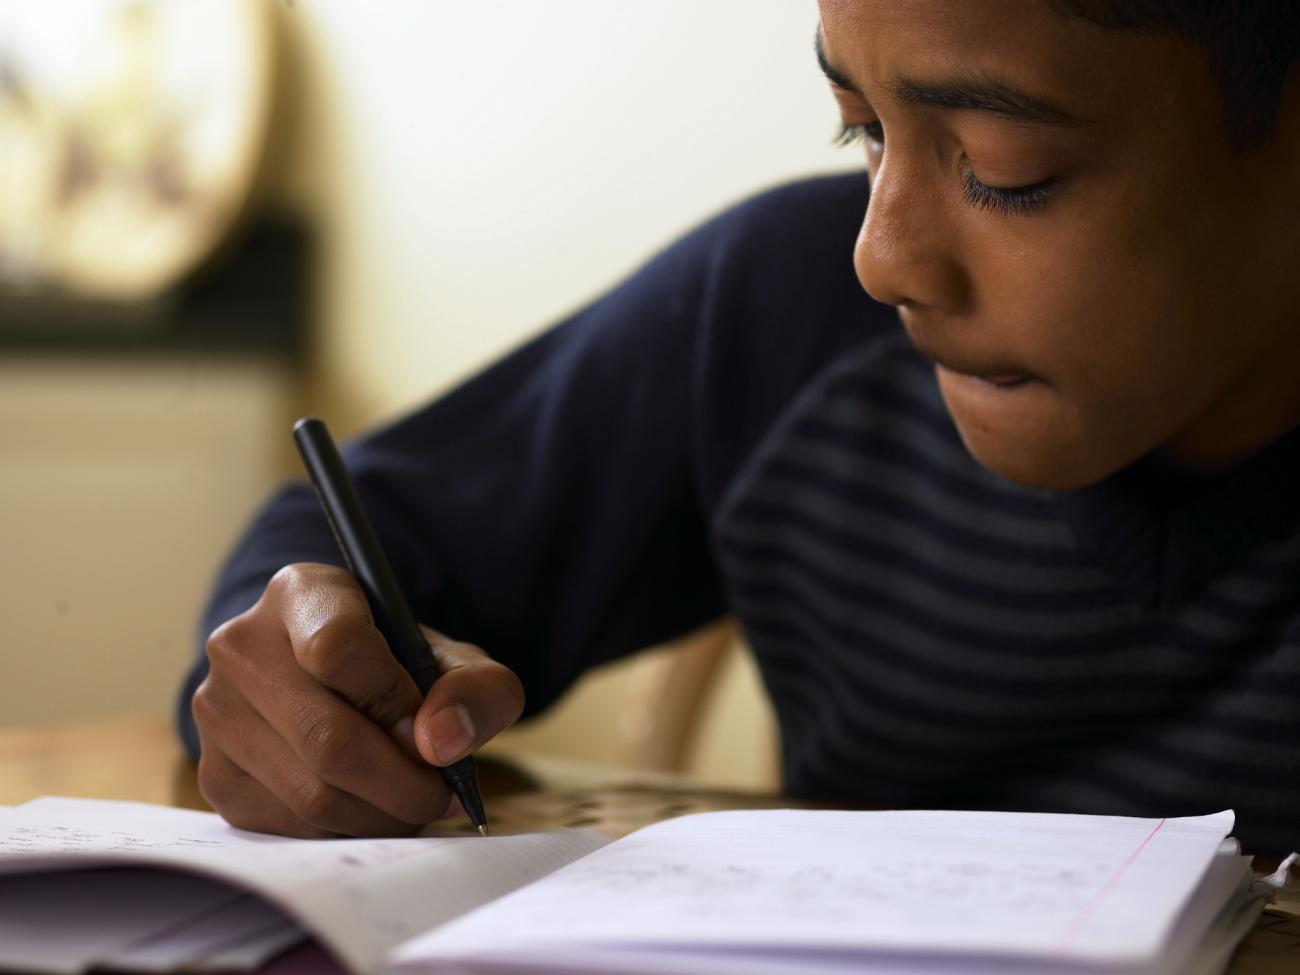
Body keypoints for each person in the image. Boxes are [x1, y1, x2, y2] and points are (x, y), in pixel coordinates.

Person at [177, 1, 1300, 855]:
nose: (881, 257)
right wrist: (305, 680)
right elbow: (342, 539)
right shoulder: (780, 325)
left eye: (1005, 172)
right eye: (857, 129)